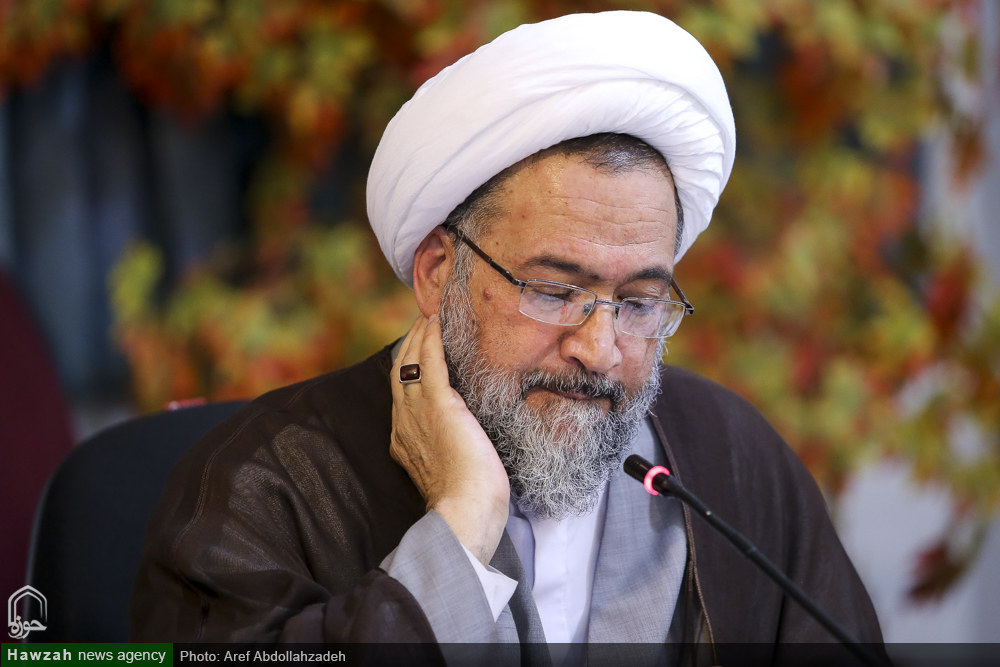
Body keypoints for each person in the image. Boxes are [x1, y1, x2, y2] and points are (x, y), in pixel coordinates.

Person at [131, 10, 885, 665]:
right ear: (438, 272)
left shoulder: (729, 456)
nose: (599, 349)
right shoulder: (266, 484)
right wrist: (460, 530)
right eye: (554, 292)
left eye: (638, 302)